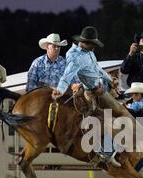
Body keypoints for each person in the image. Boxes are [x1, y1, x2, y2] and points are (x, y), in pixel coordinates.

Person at [53, 26, 130, 168]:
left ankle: (111, 149)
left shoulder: (88, 53)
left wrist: (108, 79)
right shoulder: (76, 57)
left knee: (112, 115)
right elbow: (67, 75)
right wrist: (60, 90)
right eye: (92, 44)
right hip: (91, 92)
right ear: (85, 42)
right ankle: (105, 152)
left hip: (98, 89)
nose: (94, 46)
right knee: (106, 118)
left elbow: (97, 69)